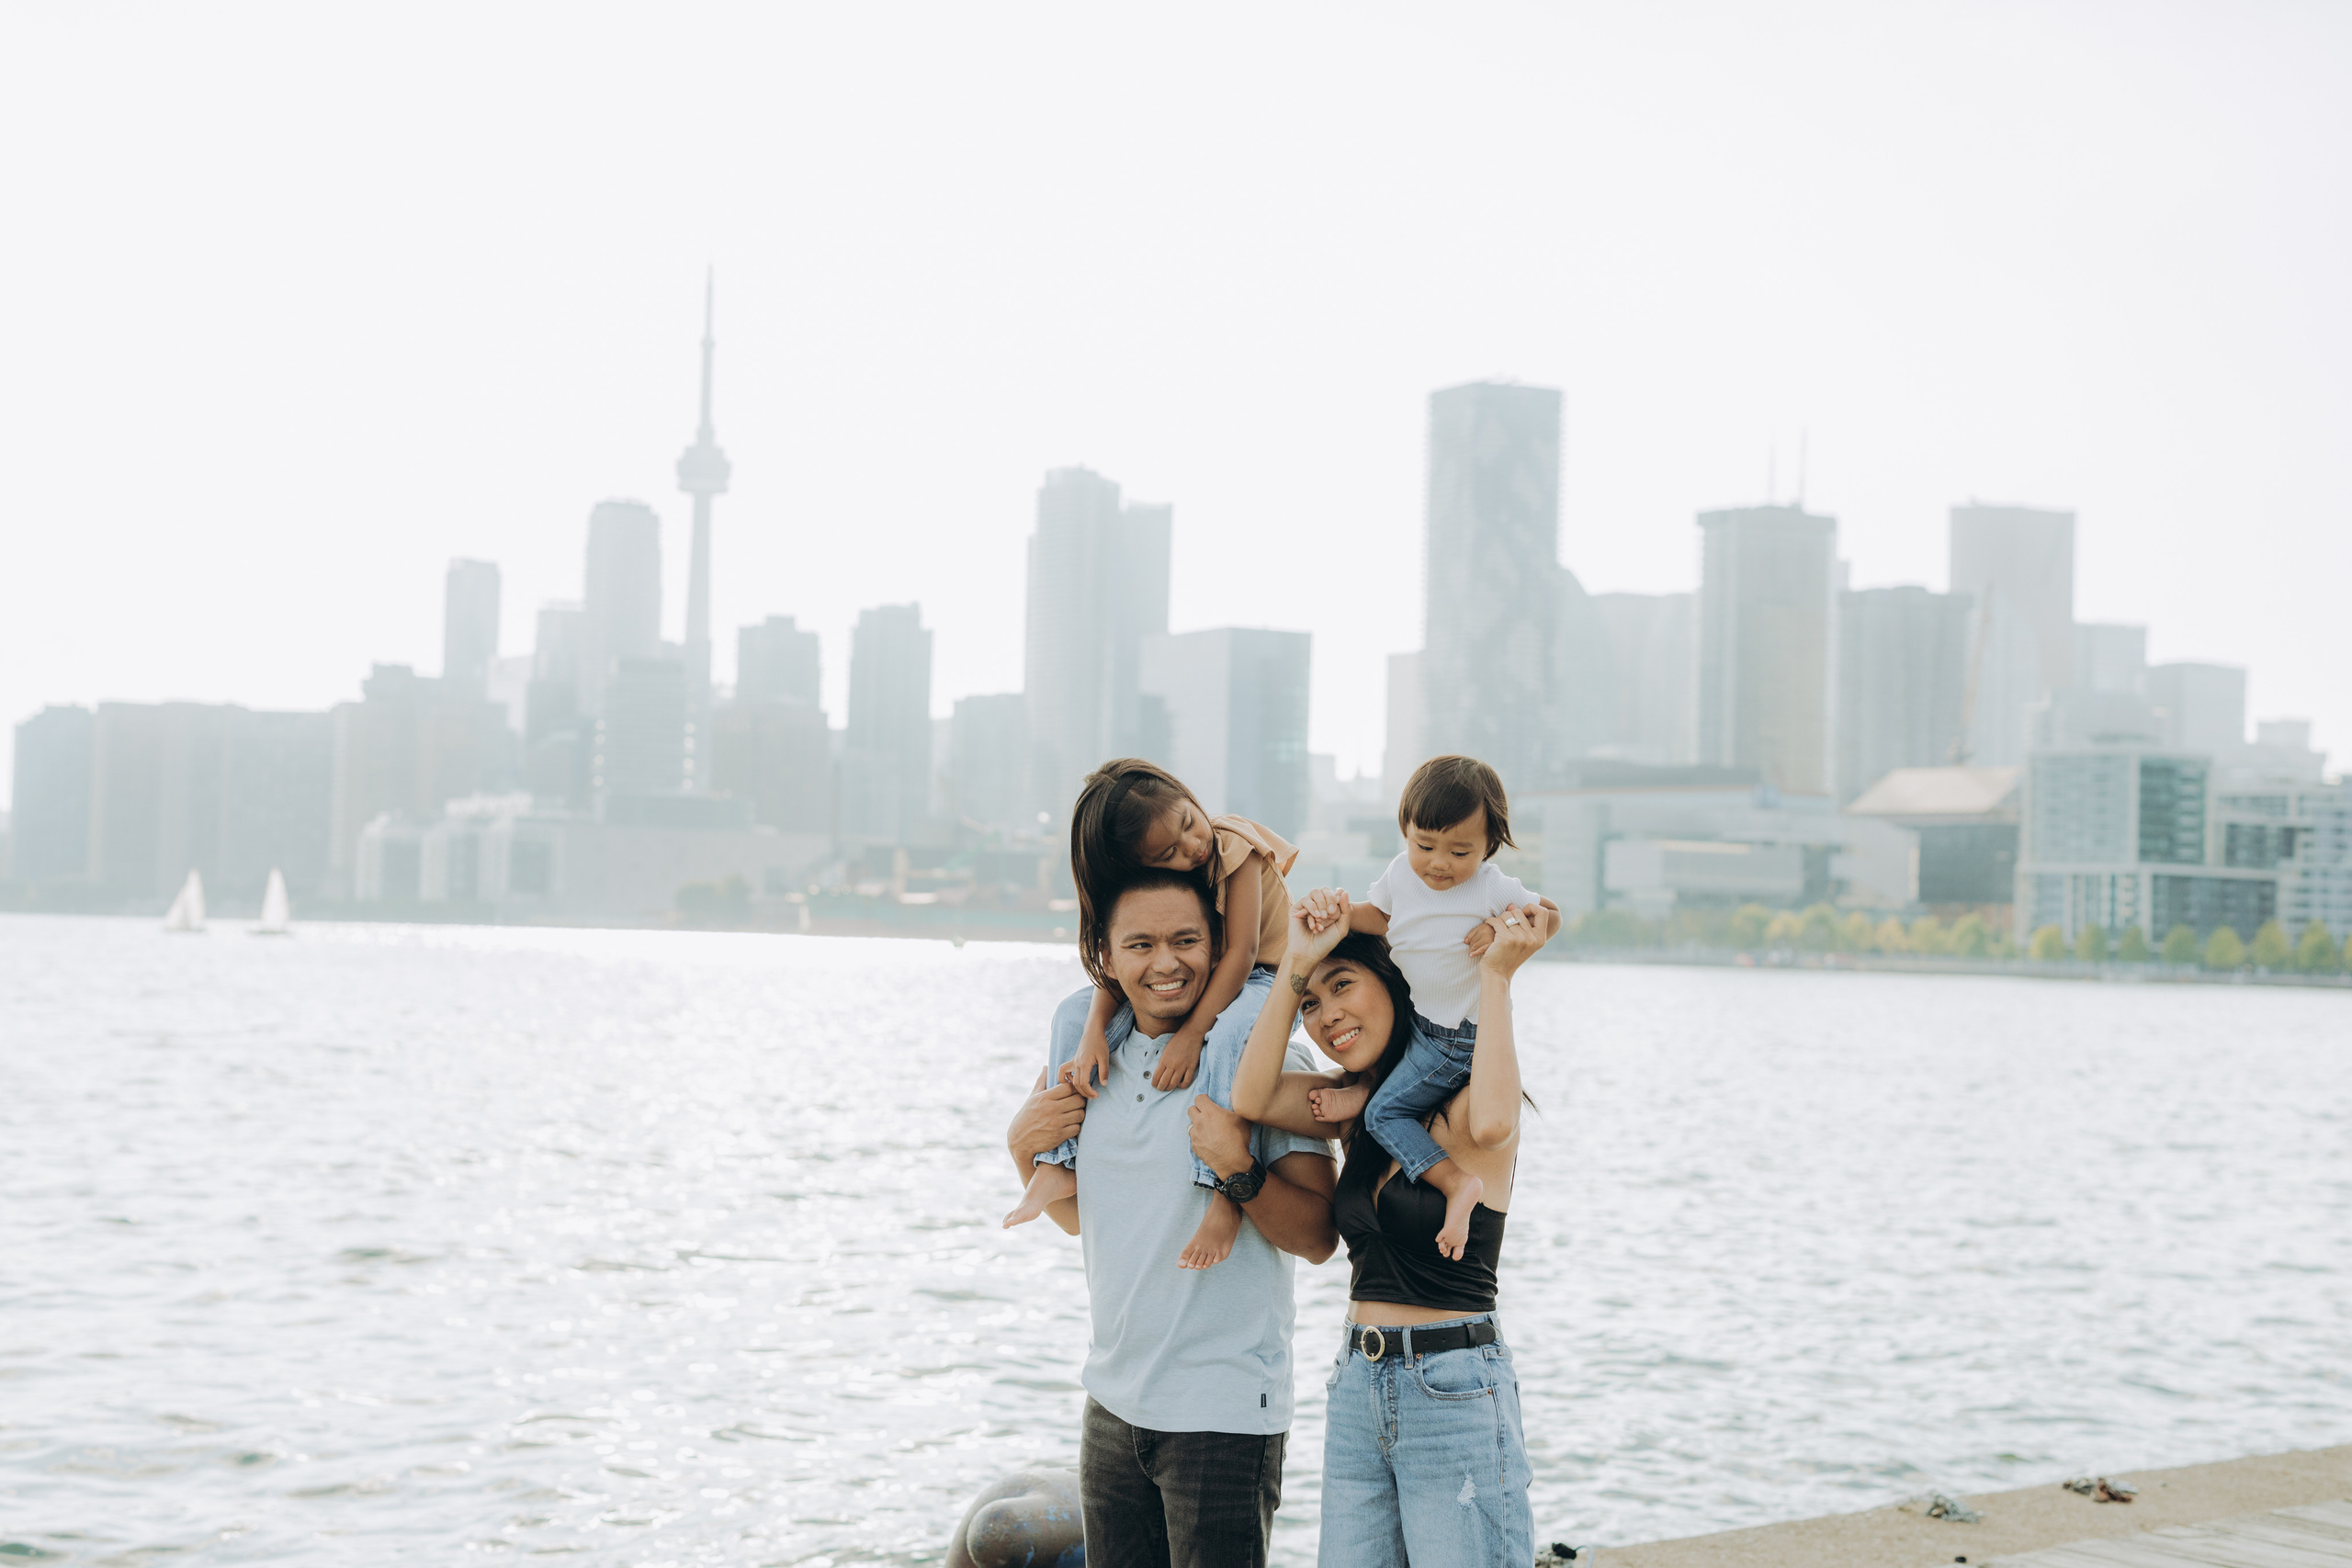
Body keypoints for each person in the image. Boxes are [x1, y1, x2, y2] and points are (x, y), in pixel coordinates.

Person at [1004, 865, 1339, 1568]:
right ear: (1108, 955)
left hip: (1220, 1415)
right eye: (1141, 944)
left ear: (1219, 945)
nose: (1165, 962)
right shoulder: (1091, 1058)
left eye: (1186, 939)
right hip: (1113, 1407)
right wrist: (1019, 1147)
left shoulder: (1258, 1054)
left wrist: (1238, 1172)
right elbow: (1077, 1220)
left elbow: (1316, 1237)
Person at [1228, 888, 1556, 1568]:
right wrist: (1299, 961)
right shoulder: (1361, 1110)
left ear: (1397, 980)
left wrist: (1495, 976)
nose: (1327, 1016)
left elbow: (1496, 1124)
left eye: (1343, 984)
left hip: (1454, 1384)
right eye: (1313, 1004)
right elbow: (1251, 1095)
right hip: (1356, 1382)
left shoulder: (1467, 1104)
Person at [1004, 758, 1298, 1271]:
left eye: (1188, 822)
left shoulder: (1233, 844)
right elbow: (1113, 972)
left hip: (1269, 981)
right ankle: (1056, 1163)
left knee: (1229, 1034)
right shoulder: (1167, 887)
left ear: (1189, 796)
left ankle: (1220, 1195)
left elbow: (1242, 954)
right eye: (1168, 853)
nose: (1192, 846)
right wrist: (1096, 1030)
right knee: (1072, 1012)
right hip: (1215, 972)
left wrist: (1190, 1035)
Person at [1306, 754, 1556, 1260]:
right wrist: (1338, 914)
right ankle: (1371, 1090)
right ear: (1405, 832)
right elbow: (1376, 916)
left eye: (1460, 851)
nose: (1439, 863)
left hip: (1458, 1038)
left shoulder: (1490, 886)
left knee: (1382, 1116)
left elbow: (1546, 914)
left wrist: (1501, 928)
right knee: (1396, 1061)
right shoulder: (1401, 875)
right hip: (1422, 1024)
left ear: (1490, 847)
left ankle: (1456, 1183)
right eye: (1425, 846)